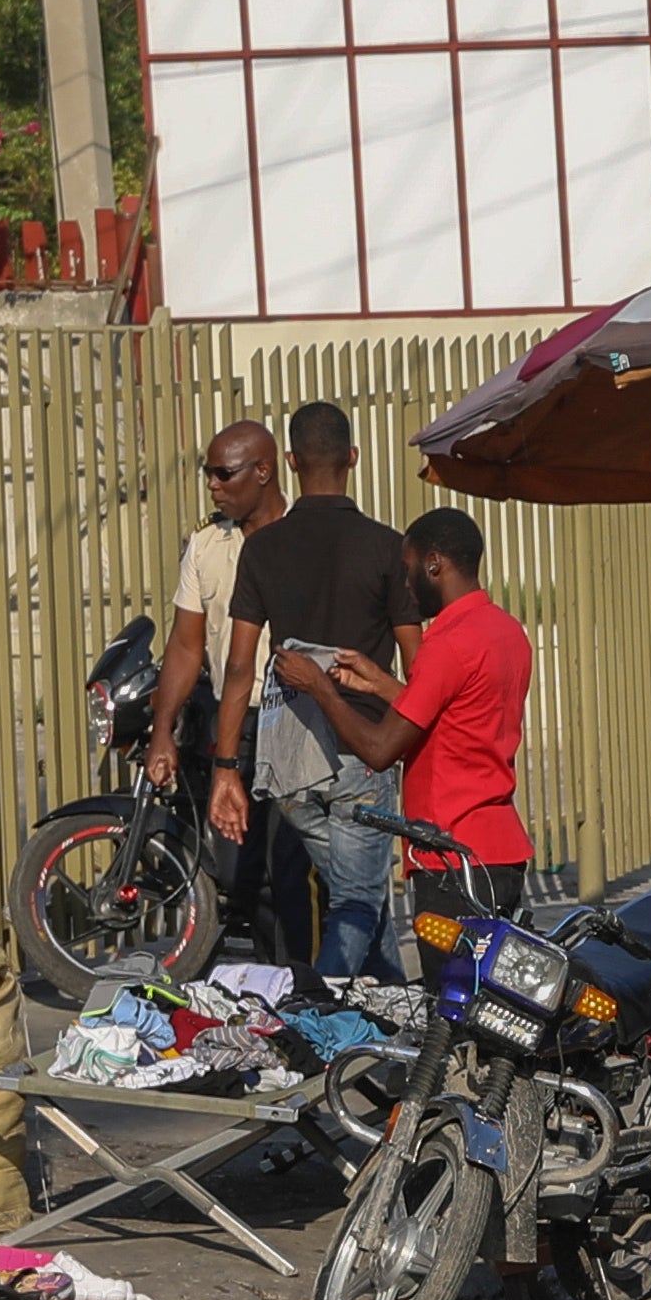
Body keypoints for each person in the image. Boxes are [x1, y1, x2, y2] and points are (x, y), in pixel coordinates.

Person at [207, 402, 418, 981]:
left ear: (292, 461)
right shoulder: (386, 548)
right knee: (355, 903)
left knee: (361, 897)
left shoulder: (262, 550)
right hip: (362, 753)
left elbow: (238, 667)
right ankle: (309, 1018)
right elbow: (418, 664)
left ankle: (396, 1039)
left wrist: (227, 768)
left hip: (289, 763)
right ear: (353, 458)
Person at [270, 508, 532, 938]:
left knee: (452, 996)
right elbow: (457, 716)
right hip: (500, 848)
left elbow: (379, 748)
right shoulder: (506, 631)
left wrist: (320, 688)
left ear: (435, 564)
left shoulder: (446, 644)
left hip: (449, 855)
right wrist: (380, 685)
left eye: (409, 570)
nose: (406, 584)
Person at [143, 419, 289, 949]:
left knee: (294, 872)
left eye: (223, 474)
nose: (212, 485)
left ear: (264, 471)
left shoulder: (302, 536)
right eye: (208, 473)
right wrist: (163, 728)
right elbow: (185, 646)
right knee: (236, 869)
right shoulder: (207, 546)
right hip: (238, 722)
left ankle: (304, 984)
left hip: (298, 718)